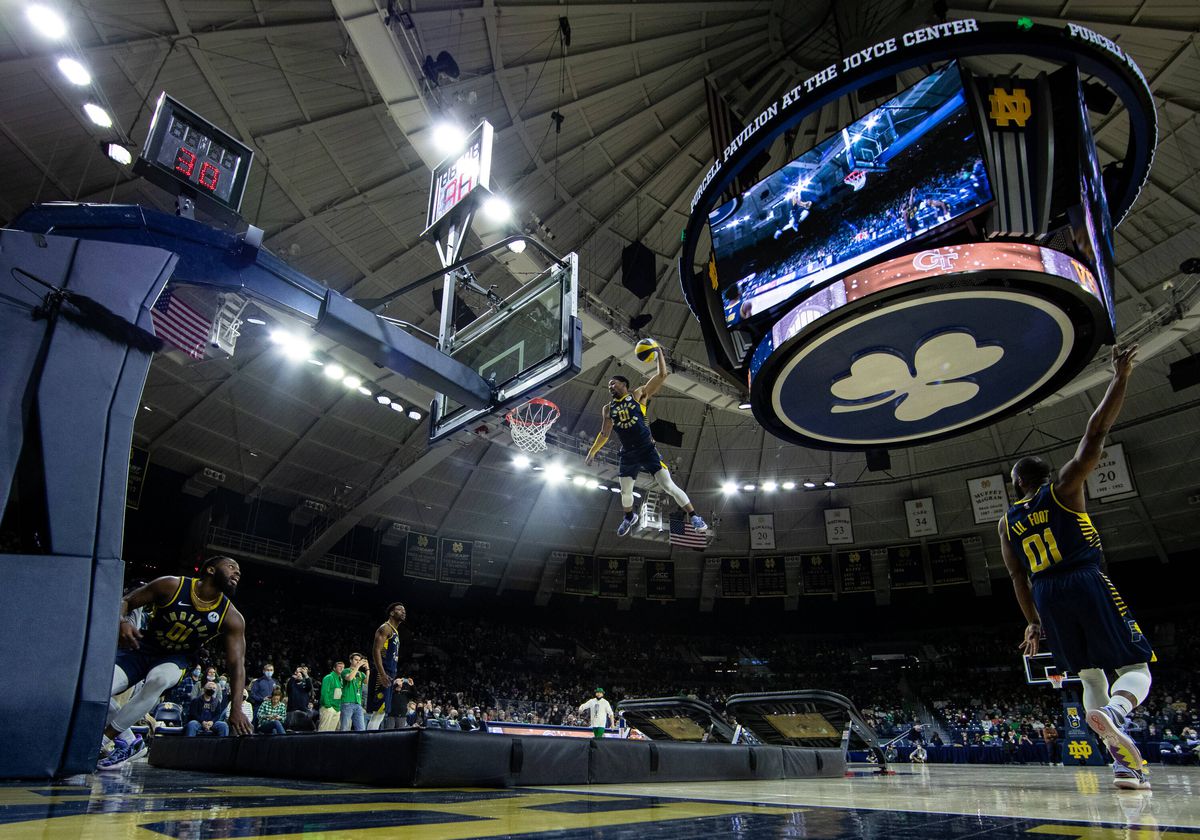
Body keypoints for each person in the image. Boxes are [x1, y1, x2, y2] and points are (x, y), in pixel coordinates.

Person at [998, 344, 1153, 790]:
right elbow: (1096, 431)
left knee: (1089, 676)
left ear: (1016, 484)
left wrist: (1032, 622)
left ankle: (1124, 765)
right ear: (1045, 477)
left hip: (1046, 595)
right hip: (1084, 579)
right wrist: (1120, 377)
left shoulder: (1006, 521)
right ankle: (1117, 712)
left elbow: (1017, 576)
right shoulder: (1064, 489)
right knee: (1137, 668)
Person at [99, 556, 250, 770]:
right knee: (97, 689)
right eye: (231, 567)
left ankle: (102, 741)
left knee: (159, 679)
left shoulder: (231, 617)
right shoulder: (171, 585)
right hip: (142, 648)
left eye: (239, 570)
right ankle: (130, 741)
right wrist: (122, 622)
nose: (237, 572)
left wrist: (236, 707)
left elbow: (236, 665)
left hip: (177, 658)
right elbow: (126, 601)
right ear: (210, 570)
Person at [584, 344, 707, 537]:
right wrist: (593, 451)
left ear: (624, 384)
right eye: (608, 385)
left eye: (613, 383)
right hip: (628, 453)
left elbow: (662, 376)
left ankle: (695, 516)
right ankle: (629, 517)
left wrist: (659, 354)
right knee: (625, 491)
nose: (610, 387)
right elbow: (604, 434)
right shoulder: (608, 408)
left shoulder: (638, 395)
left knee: (668, 486)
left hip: (647, 448)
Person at [368, 602, 414, 731]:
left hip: (389, 673)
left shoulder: (395, 632)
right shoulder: (385, 628)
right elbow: (376, 650)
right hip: (382, 673)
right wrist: (382, 674)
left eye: (404, 610)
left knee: (381, 713)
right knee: (378, 712)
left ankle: (370, 737)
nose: (403, 612)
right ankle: (369, 738)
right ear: (392, 613)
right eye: (400, 609)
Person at [339, 652, 369, 731]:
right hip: (347, 703)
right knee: (344, 728)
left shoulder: (361, 674)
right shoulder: (345, 671)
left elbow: (366, 682)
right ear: (350, 660)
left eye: (359, 660)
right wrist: (358, 666)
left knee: (361, 729)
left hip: (358, 704)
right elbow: (349, 678)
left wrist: (367, 669)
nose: (358, 662)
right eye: (356, 660)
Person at [319, 661, 345, 731]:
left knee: (332, 731)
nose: (342, 668)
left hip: (337, 708)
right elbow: (324, 692)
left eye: (343, 667)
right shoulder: (329, 677)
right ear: (334, 668)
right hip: (328, 708)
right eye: (339, 666)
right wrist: (328, 705)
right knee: (323, 730)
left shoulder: (341, 680)